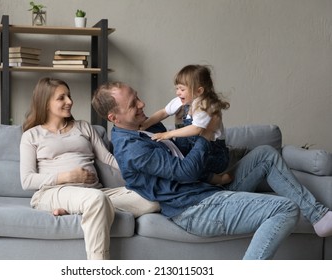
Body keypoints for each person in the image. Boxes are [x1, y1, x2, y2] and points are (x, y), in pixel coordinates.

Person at [91, 81, 332, 260]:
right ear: (114, 117)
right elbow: (186, 171)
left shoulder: (149, 125)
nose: (142, 104)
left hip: (207, 189)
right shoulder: (131, 148)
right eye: (133, 104)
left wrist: (198, 121)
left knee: (265, 155)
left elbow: (197, 155)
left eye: (138, 97)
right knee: (285, 208)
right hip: (194, 209)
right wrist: (205, 135)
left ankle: (319, 216)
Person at [20, 77, 159, 260]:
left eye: (69, 96)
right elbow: (27, 180)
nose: (69, 102)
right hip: (54, 192)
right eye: (61, 98)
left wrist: (142, 170)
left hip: (96, 193)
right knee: (96, 199)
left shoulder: (83, 127)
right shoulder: (32, 135)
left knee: (154, 198)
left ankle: (80, 208)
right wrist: (67, 177)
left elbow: (108, 158)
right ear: (45, 103)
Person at [140, 65, 231, 186]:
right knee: (180, 163)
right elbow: (163, 112)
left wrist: (168, 134)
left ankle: (218, 180)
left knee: (191, 168)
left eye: (182, 89)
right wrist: (145, 124)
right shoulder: (182, 101)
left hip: (215, 153)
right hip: (193, 149)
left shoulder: (205, 105)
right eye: (177, 88)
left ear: (199, 91)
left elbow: (196, 128)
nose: (178, 93)